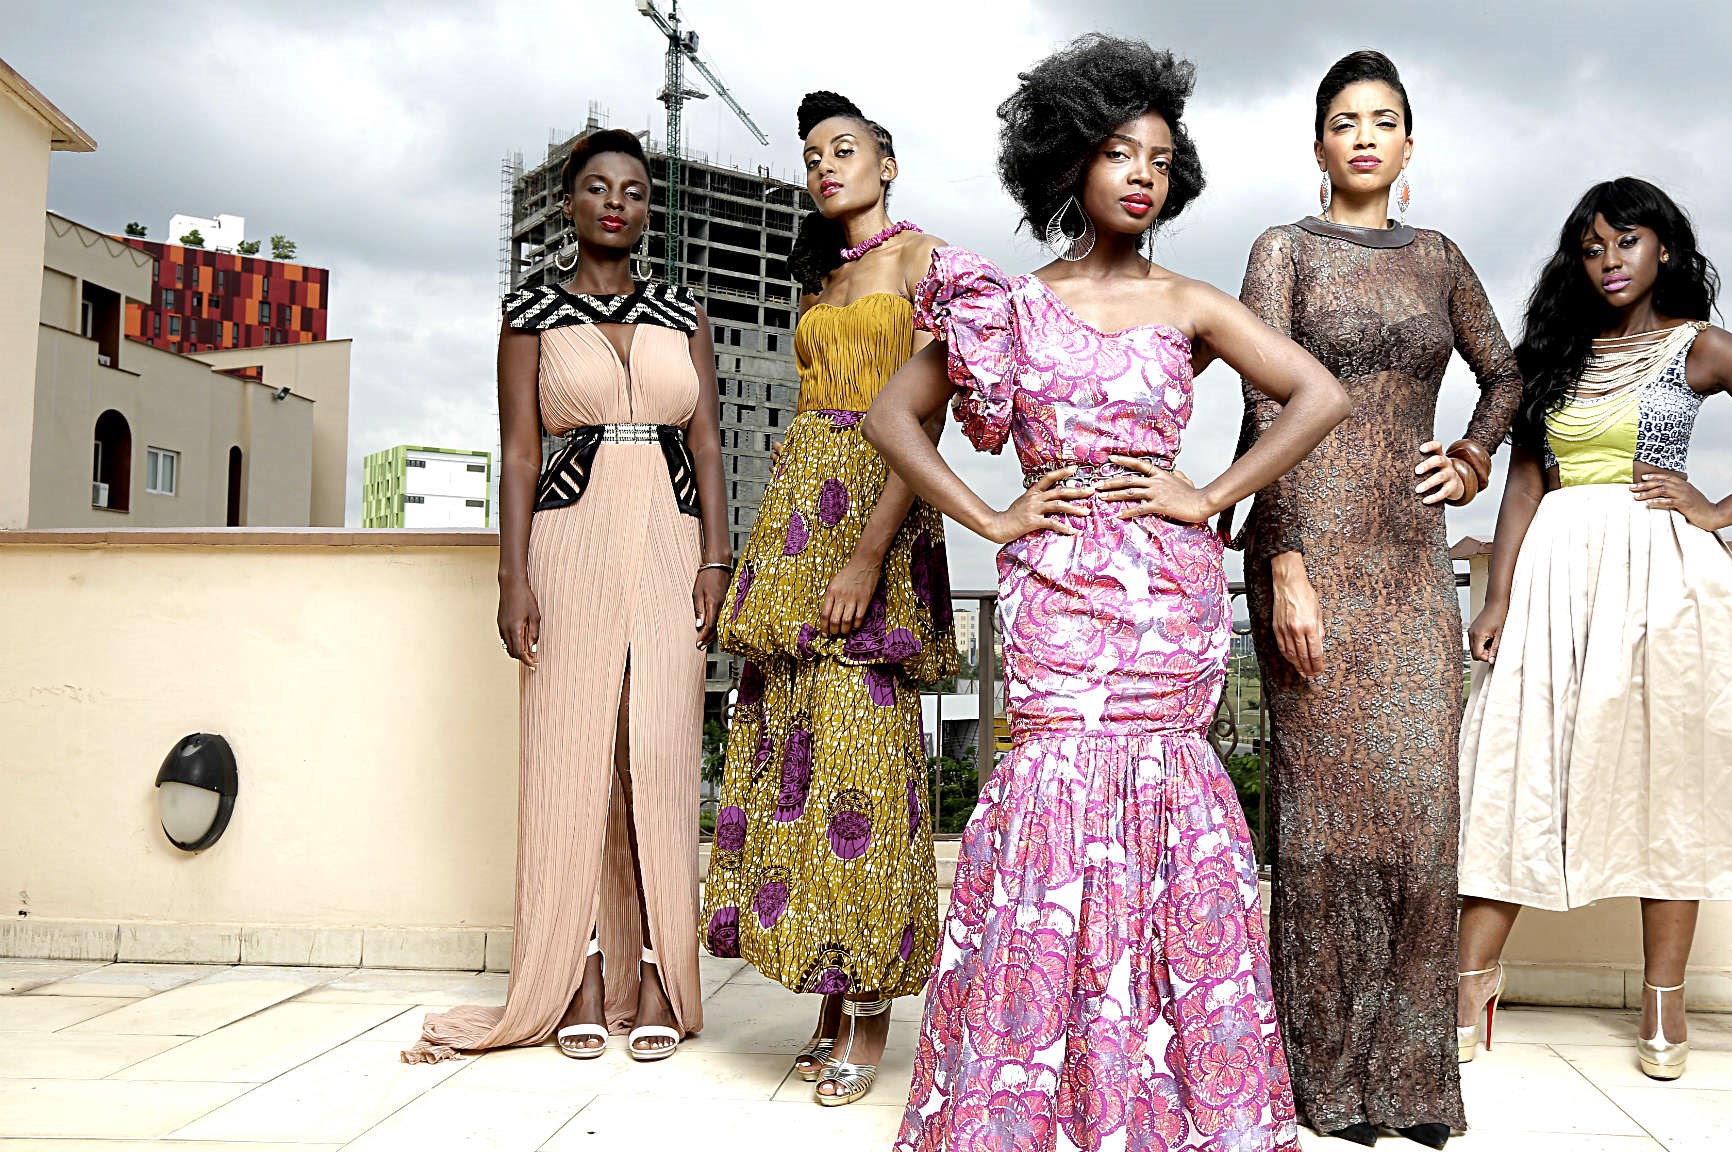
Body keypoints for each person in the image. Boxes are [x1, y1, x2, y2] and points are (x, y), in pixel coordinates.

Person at [862, 34, 1351, 1152]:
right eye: (1119, 152)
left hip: (1164, 603)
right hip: (1054, 593)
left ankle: (1159, 1107)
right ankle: (1028, 1105)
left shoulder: (1190, 301)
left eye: (1160, 159)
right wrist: (988, 518)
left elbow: (1316, 394)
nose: (1141, 173)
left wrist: (1209, 495)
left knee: (1167, 814)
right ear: (1070, 163)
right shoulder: (1008, 304)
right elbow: (892, 417)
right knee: (1049, 815)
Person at [1456, 177, 1732, 1082]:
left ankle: (1664, 1005)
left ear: (1664, 248)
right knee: (1517, 765)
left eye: (1626, 243)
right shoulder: (1555, 352)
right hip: (1555, 572)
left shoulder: (1700, 348)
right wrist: (1498, 598)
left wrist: (1718, 510)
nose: (1608, 262)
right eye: (1592, 248)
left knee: (1665, 776)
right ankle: (1471, 983)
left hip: (1662, 577)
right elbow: (1525, 484)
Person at [1232, 49, 1522, 1149]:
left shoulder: (1438, 257)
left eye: (1383, 119)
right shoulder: (1283, 251)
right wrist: (1285, 560)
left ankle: (1407, 1083)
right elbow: (1267, 405)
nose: (1362, 135)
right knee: (1321, 822)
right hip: (1308, 547)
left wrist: (1475, 456)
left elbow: (1504, 372)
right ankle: (1320, 1080)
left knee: (1416, 812)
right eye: (1343, 120)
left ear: (1408, 144)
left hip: (1408, 561)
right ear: (1317, 148)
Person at [403, 128, 730, 1064]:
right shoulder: (530, 311)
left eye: (633, 189)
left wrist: (715, 559)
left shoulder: (684, 309)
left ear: (646, 208)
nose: (617, 202)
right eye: (598, 187)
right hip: (570, 542)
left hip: (669, 549)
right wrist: (513, 576)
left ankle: (664, 973)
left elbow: (706, 446)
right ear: (572, 204)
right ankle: (581, 971)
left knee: (659, 757)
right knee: (569, 755)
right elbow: (518, 449)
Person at [701, 91, 957, 1107]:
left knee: (862, 765)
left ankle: (869, 1013)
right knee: (792, 760)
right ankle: (823, 990)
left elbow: (923, 418)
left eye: (842, 150)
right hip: (798, 509)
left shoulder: (927, 262)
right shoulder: (825, 272)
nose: (824, 167)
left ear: (887, 162)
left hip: (877, 518)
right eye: (811, 155)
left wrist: (864, 557)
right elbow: (813, 415)